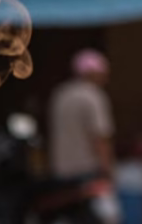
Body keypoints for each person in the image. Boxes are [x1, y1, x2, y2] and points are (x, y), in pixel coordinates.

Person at [47, 49, 115, 179]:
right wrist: (107, 169)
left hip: (60, 169)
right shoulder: (93, 95)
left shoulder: (61, 94)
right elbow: (100, 137)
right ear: (92, 73)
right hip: (87, 169)